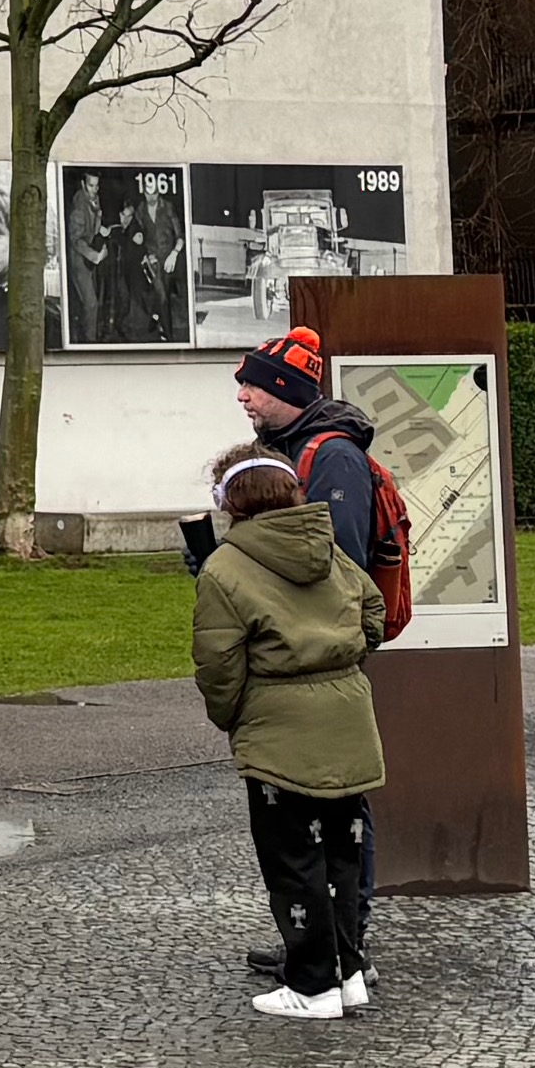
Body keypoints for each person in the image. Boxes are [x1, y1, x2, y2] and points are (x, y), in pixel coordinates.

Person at [192, 454, 386, 1022]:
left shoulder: (225, 567)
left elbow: (218, 663)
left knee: (293, 859)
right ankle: (348, 972)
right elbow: (372, 610)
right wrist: (341, 661)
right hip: (347, 716)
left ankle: (312, 984)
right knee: (342, 852)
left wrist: (232, 715)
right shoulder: (327, 549)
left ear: (232, 502)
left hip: (277, 726)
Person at [227, 327, 383, 578]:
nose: (241, 396)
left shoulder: (336, 457)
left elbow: (342, 568)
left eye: (253, 385)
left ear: (285, 389)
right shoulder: (275, 446)